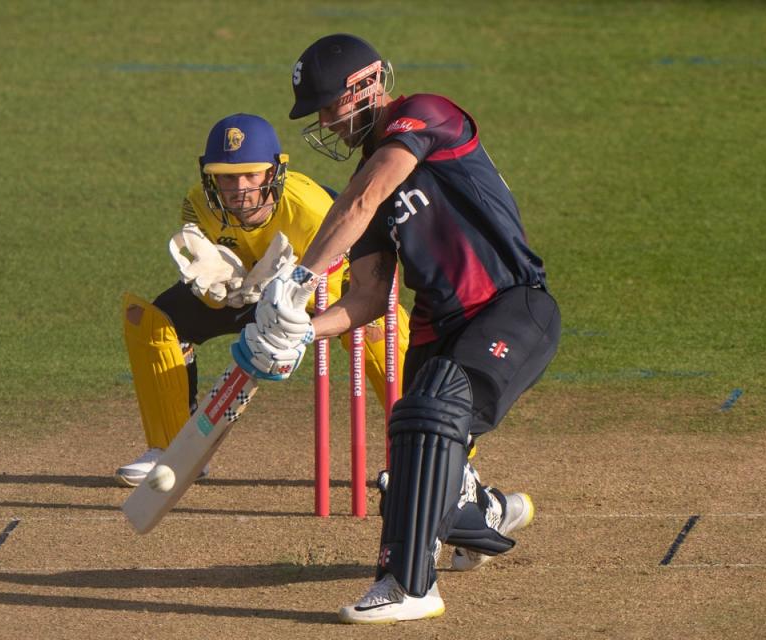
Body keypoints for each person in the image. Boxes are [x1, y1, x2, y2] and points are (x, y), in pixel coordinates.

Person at [233, 35, 561, 623]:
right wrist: (304, 330)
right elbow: (366, 297)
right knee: (412, 439)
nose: (328, 123)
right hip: (441, 333)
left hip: (512, 307)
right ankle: (476, 509)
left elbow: (362, 201)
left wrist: (301, 277)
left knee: (433, 411)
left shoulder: (426, 115)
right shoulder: (369, 177)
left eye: (330, 106)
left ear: (365, 86)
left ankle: (411, 587)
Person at [116, 112, 409, 487]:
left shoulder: (310, 209)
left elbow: (350, 278)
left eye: (250, 175)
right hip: (247, 289)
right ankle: (174, 451)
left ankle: (427, 450)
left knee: (377, 330)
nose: (239, 188)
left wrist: (292, 313)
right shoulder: (198, 203)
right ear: (209, 175)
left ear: (274, 172)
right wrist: (228, 281)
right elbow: (213, 259)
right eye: (226, 176)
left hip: (318, 287)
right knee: (152, 320)